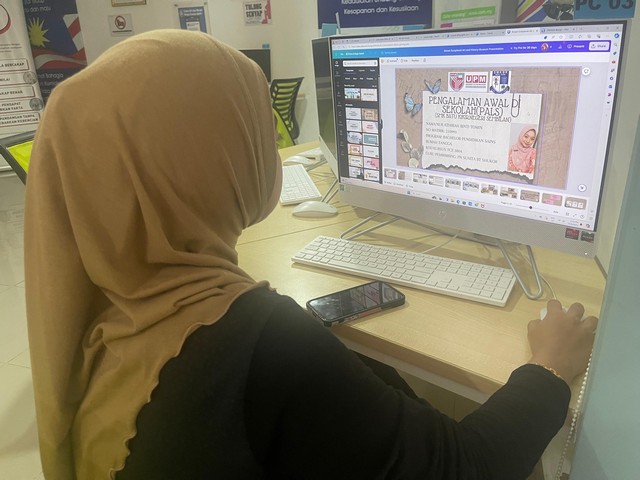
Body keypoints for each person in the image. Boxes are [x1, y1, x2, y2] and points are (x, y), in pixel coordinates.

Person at [24, 30, 597, 480]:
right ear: (216, 158)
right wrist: (548, 368)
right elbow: (467, 467)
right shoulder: (255, 342)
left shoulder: (97, 309)